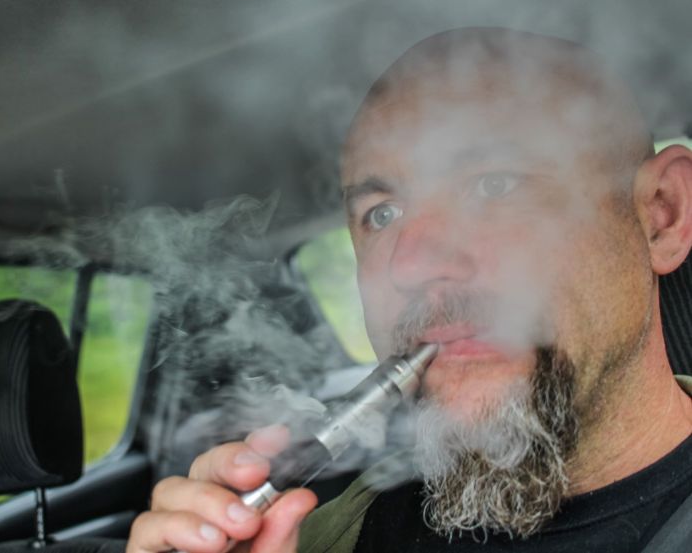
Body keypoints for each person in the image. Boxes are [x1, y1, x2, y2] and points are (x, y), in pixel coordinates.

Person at [125, 28, 692, 553]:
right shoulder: (317, 540)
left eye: (494, 185)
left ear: (662, 215)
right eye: (382, 213)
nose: (411, 264)